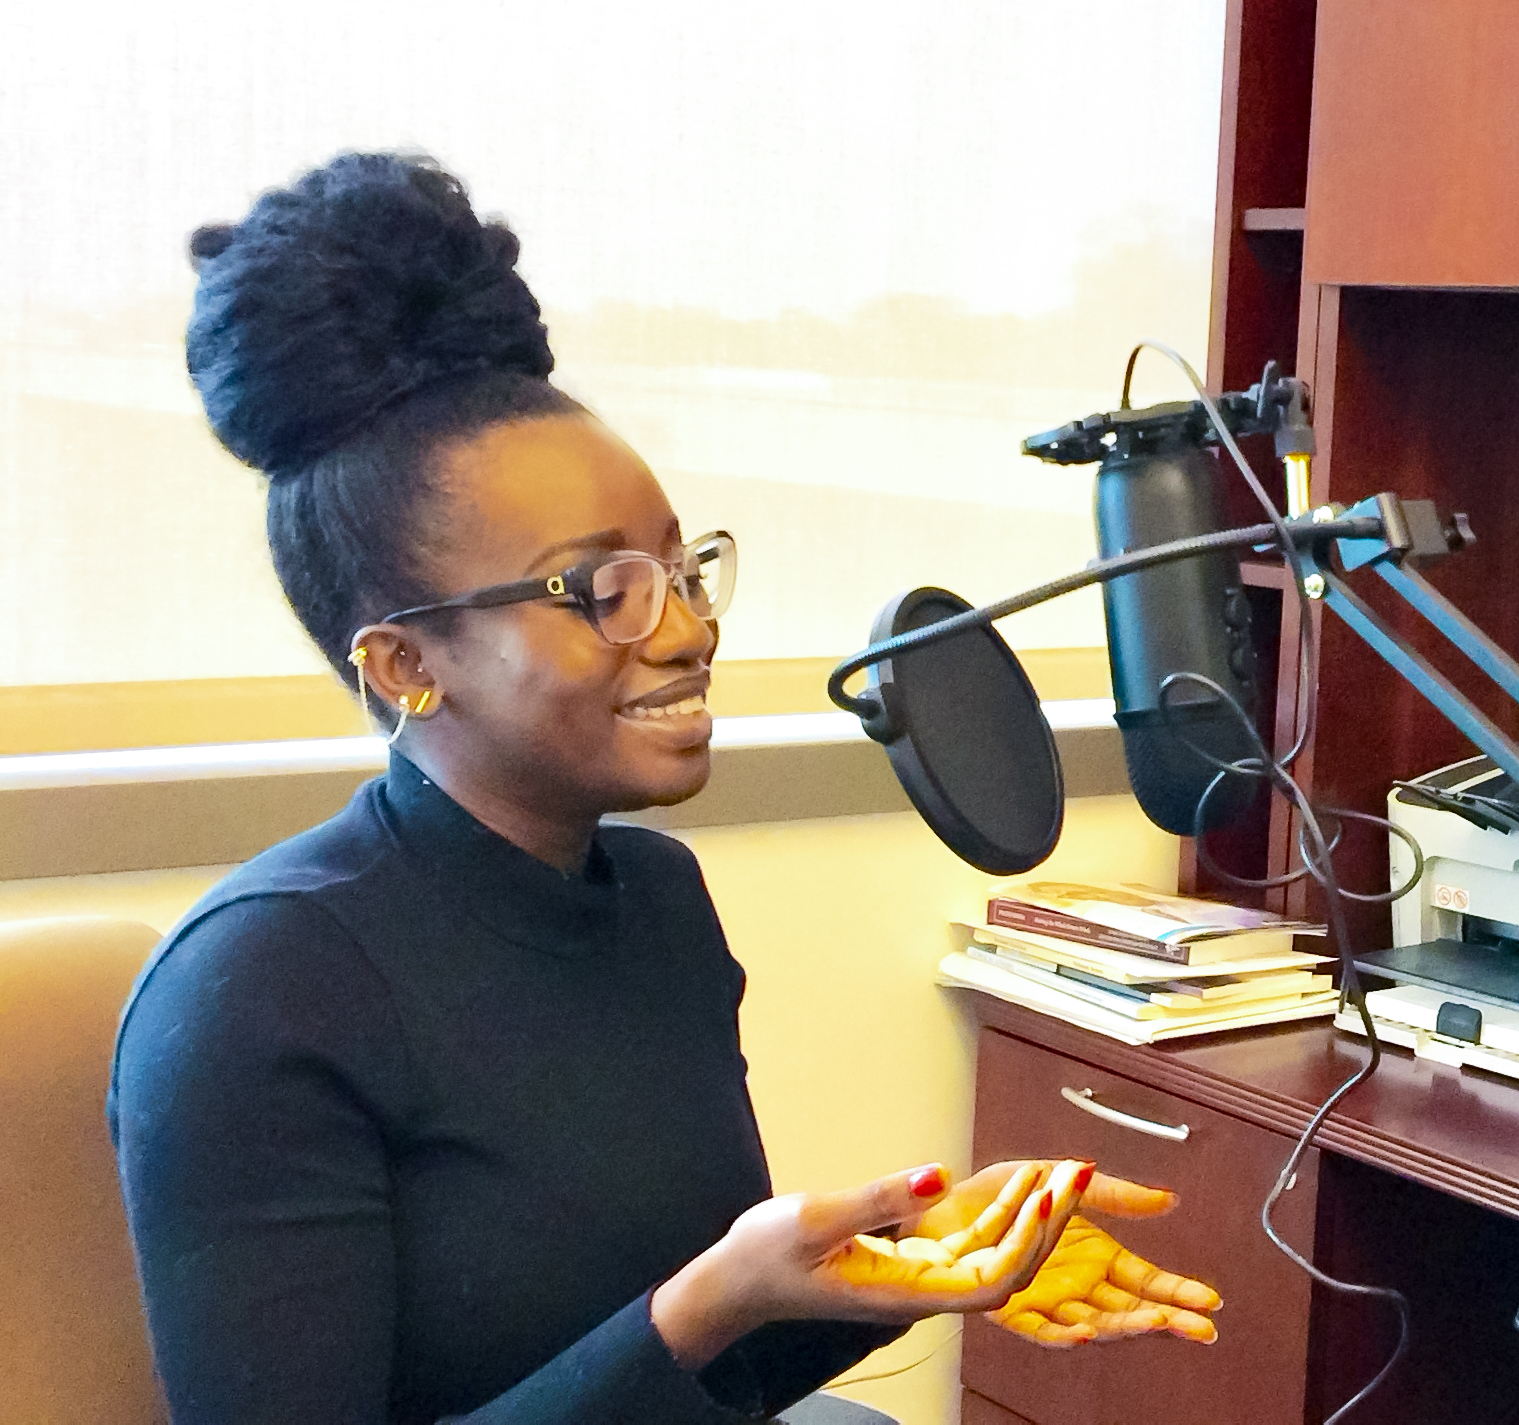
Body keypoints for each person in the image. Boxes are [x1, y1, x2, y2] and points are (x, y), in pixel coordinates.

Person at [109, 152, 1220, 1424]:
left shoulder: (653, 896)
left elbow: (702, 1380)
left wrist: (918, 1265)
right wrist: (708, 1302)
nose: (687, 628)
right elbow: (683, 1332)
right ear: (406, 664)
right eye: (600, 591)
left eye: (680, 570)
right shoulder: (260, 988)